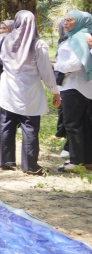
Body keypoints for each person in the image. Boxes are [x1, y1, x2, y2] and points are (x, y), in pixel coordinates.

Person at [0, 11, 59, 174]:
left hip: (8, 88)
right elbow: (45, 71)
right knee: (30, 127)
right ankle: (30, 166)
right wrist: (54, 91)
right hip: (30, 91)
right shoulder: (38, 45)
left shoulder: (5, 39)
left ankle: (6, 161)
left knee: (6, 124)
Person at [54, 11, 92, 172]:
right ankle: (86, 161)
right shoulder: (82, 37)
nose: (65, 22)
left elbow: (76, 63)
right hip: (83, 87)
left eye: (70, 20)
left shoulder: (78, 38)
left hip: (74, 87)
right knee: (84, 125)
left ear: (81, 22)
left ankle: (76, 162)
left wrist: (56, 66)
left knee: (72, 124)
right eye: (65, 19)